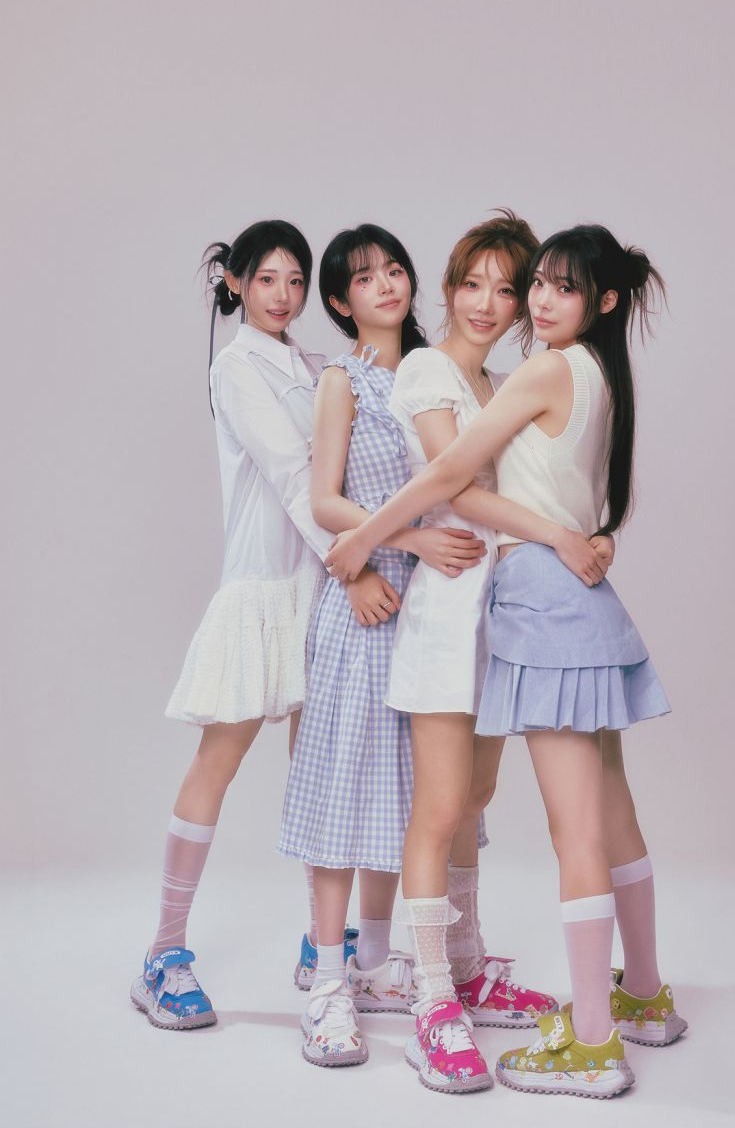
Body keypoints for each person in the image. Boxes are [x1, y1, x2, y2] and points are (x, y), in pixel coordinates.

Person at [325, 224, 685, 1098]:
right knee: (451, 807)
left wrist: (571, 535)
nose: (497, 303)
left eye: (513, 287)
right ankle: (436, 1001)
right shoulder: (434, 370)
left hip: (513, 614)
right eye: (475, 285)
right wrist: (376, 538)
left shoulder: (516, 375)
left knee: (482, 805)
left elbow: (510, 478)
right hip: (462, 612)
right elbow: (452, 476)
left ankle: (481, 971)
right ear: (449, 288)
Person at [277, 224, 487, 1066]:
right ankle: (327, 984)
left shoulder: (434, 372)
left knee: (405, 797)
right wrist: (403, 542)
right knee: (342, 791)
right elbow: (324, 500)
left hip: (427, 609)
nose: (388, 285)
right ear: (340, 300)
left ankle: (374, 963)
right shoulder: (344, 379)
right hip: (364, 602)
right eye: (366, 278)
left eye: (395, 269)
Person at [131, 220, 339, 1030]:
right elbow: (293, 474)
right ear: (237, 284)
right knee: (217, 762)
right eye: (267, 279)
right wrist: (355, 559)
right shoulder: (235, 366)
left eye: (296, 280)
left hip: (321, 588)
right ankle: (163, 952)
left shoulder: (316, 366)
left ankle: (324, 948)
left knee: (318, 772)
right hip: (264, 589)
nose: (283, 295)